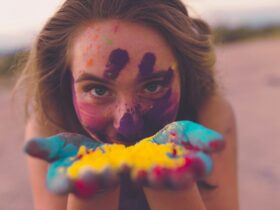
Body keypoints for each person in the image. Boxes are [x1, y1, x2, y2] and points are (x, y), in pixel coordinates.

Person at [17, 0, 238, 209]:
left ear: (185, 74)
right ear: (64, 84)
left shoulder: (209, 115)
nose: (127, 126)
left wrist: (174, 194)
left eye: (152, 87)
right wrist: (93, 196)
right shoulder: (49, 126)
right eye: (99, 90)